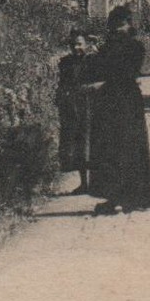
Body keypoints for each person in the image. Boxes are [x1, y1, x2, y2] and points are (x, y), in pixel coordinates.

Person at [82, 4, 150, 215]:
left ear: (130, 26)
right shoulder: (105, 48)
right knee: (109, 150)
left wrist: (103, 72)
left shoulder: (135, 47)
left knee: (129, 148)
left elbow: (126, 72)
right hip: (107, 103)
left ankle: (133, 197)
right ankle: (113, 197)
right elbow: (94, 72)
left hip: (127, 102)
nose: (117, 30)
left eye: (121, 25)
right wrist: (94, 58)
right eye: (113, 26)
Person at [55, 30, 92, 195]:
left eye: (80, 44)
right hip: (73, 107)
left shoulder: (93, 61)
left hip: (91, 105)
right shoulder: (65, 63)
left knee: (93, 144)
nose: (76, 47)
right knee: (78, 145)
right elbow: (62, 85)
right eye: (73, 44)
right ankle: (84, 183)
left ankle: (98, 183)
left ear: (87, 45)